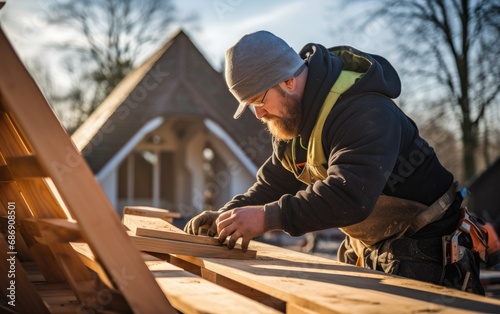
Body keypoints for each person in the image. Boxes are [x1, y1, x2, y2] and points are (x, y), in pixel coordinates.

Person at [184, 30, 487, 294]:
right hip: (369, 248)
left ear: (288, 80)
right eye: (249, 106)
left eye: (258, 101)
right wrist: (228, 216)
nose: (259, 115)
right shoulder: (292, 122)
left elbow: (349, 195)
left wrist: (266, 218)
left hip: (428, 247)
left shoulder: (364, 111)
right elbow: (273, 185)